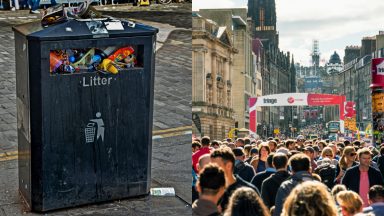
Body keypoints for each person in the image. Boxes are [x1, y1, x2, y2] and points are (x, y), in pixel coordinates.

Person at [210, 147, 260, 212]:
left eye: (215, 166)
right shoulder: (210, 190)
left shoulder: (248, 192)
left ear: (229, 165)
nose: (211, 169)